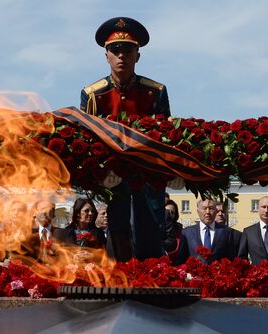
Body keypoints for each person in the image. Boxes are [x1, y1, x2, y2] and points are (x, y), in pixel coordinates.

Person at [79, 17, 170, 261]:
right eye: (115, 50)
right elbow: (85, 143)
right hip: (112, 180)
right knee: (117, 241)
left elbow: (166, 139)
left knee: (150, 240)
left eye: (128, 50)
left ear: (137, 56)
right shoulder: (93, 95)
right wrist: (100, 174)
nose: (122, 56)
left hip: (147, 180)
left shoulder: (155, 92)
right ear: (106, 55)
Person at [174, 199, 236, 265]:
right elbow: (180, 260)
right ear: (198, 211)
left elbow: (231, 258)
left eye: (211, 208)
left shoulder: (226, 232)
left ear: (215, 211)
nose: (208, 212)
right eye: (204, 208)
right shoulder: (187, 233)